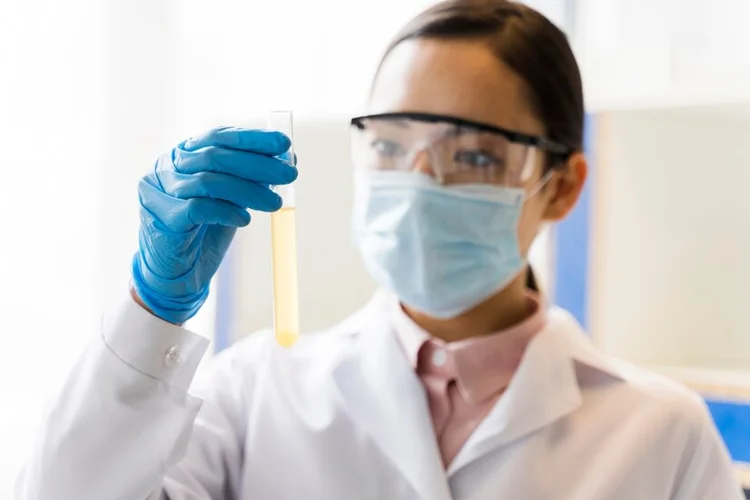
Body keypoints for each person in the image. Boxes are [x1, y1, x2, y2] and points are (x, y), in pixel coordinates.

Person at [16, 1, 744, 499]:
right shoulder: (255, 393)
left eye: (477, 158)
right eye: (392, 145)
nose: (419, 184)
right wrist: (152, 308)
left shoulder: (662, 436)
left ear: (560, 187)